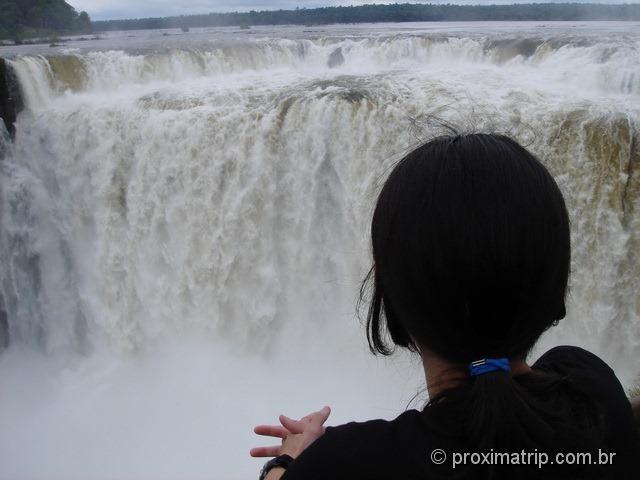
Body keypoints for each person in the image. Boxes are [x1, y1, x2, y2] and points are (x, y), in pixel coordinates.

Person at [250, 133, 640, 479]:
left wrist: (286, 464)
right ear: (554, 290)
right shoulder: (593, 390)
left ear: (392, 303)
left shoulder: (344, 464)